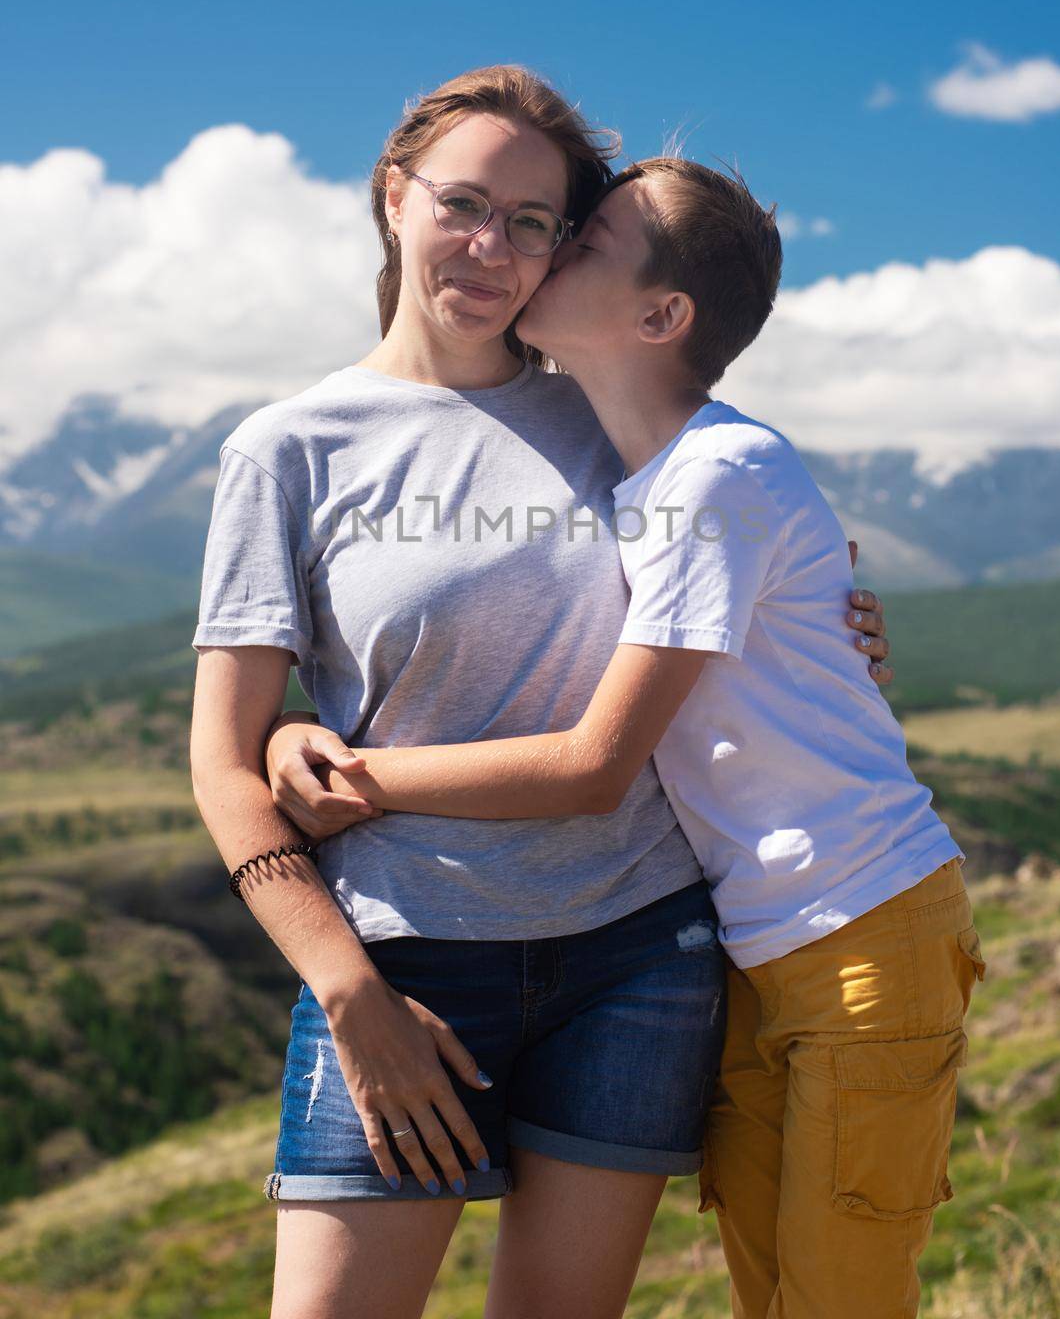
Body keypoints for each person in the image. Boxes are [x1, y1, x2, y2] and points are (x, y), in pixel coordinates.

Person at [190, 65, 890, 1319]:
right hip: (401, 956)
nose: (491, 247)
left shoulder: (616, 402)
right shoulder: (289, 448)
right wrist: (350, 996)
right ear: (394, 197)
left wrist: (837, 628)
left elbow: (755, 564)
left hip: (638, 950)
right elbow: (222, 764)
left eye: (532, 224)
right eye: (463, 204)